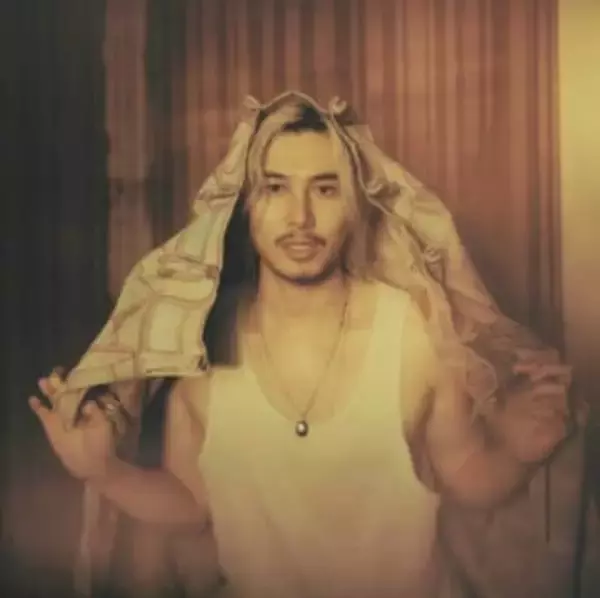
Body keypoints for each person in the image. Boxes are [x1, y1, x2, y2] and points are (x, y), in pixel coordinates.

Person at [31, 92, 574, 598]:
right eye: (275, 188)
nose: (300, 217)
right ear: (245, 205)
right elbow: (193, 503)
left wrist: (519, 452)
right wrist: (103, 472)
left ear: (355, 204)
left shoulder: (410, 327)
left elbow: (466, 469)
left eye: (325, 188)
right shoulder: (201, 341)